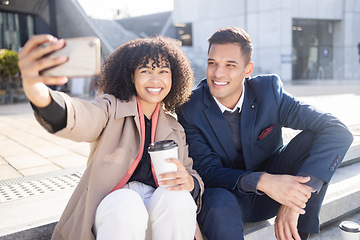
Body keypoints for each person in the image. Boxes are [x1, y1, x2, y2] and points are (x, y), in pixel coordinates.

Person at [18, 34, 204, 240]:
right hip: (114, 212)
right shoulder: (110, 108)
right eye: (145, 71)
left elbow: (189, 173)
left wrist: (190, 182)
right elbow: (81, 116)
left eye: (163, 71)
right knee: (126, 204)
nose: (155, 79)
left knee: (178, 197)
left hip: (158, 216)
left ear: (174, 77)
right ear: (131, 76)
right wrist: (38, 92)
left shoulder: (174, 127)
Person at [177, 27, 353, 240]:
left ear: (248, 69)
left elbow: (338, 131)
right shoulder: (190, 107)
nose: (218, 73)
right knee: (215, 202)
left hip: (278, 191)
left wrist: (294, 202)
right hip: (227, 196)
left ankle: (298, 232)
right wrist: (261, 181)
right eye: (212, 63)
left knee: (314, 138)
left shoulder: (268, 91)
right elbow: (207, 170)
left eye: (230, 65)